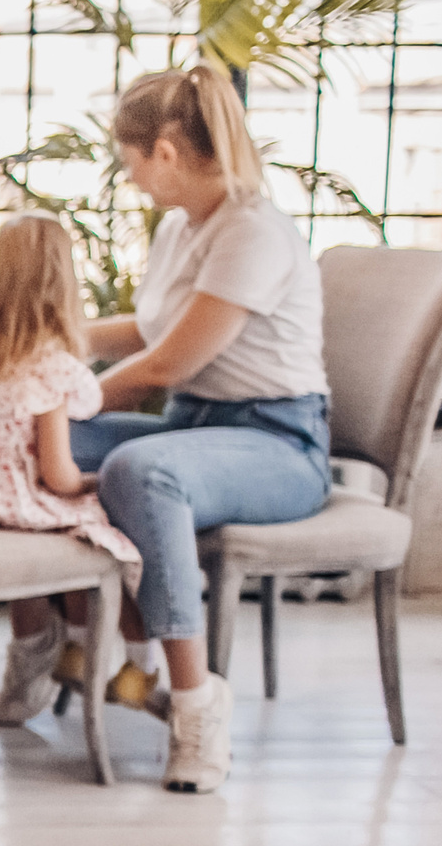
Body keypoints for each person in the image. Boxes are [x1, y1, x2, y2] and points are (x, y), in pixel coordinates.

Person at [77, 64, 333, 793]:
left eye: (129, 162)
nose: (128, 179)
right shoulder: (181, 228)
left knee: (139, 470)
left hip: (278, 443)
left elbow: (172, 360)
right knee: (46, 446)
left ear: (163, 150)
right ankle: (75, 652)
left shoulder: (253, 231)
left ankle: (196, 706)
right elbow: (153, 328)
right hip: (198, 428)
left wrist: (72, 393)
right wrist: (53, 334)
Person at [0, 214, 142, 725]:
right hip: (15, 506)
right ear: (63, 289)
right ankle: (95, 655)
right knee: (101, 530)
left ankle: (30, 660)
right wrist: (93, 482)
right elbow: (57, 475)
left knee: (31, 551)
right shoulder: (46, 368)